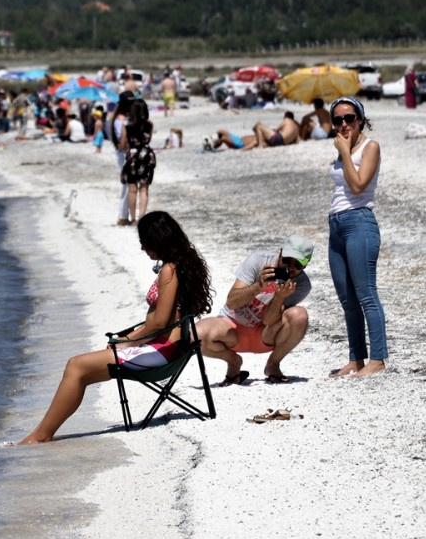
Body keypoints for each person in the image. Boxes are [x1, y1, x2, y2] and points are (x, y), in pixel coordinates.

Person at [19, 211, 213, 444]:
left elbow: (160, 322)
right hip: (166, 347)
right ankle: (42, 433)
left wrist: (126, 341)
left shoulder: (169, 271)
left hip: (161, 351)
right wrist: (128, 338)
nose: (143, 248)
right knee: (79, 370)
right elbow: (163, 321)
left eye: (144, 242)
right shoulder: (183, 265)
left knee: (76, 365)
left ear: (157, 240)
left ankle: (40, 436)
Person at [324, 96, 389, 379]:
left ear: (360, 119)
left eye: (349, 118)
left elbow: (359, 184)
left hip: (359, 222)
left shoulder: (369, 146)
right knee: (348, 299)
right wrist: (344, 152)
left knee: (366, 294)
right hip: (336, 225)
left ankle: (378, 358)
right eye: (337, 120)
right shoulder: (343, 151)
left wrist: (347, 152)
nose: (344, 124)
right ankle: (356, 358)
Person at [195, 234, 314, 386]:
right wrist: (259, 285)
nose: (290, 268)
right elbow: (231, 303)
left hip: (264, 334)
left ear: (306, 265)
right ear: (281, 252)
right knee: (195, 336)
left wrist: (279, 298)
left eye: (297, 265)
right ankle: (233, 362)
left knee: (300, 315)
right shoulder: (258, 260)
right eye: (287, 260)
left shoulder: (302, 285)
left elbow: (269, 321)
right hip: (232, 326)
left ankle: (273, 365)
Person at [120, 98, 156, 224]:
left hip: (133, 157)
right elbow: (148, 140)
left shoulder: (127, 126)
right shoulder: (149, 125)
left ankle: (133, 219)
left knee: (132, 189)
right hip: (146, 156)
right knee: (144, 189)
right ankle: (142, 218)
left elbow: (122, 145)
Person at [110, 91, 134, 226]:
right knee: (127, 185)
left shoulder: (126, 118)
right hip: (124, 154)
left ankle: (125, 216)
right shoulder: (120, 120)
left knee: (128, 185)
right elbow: (122, 142)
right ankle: (123, 216)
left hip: (127, 153)